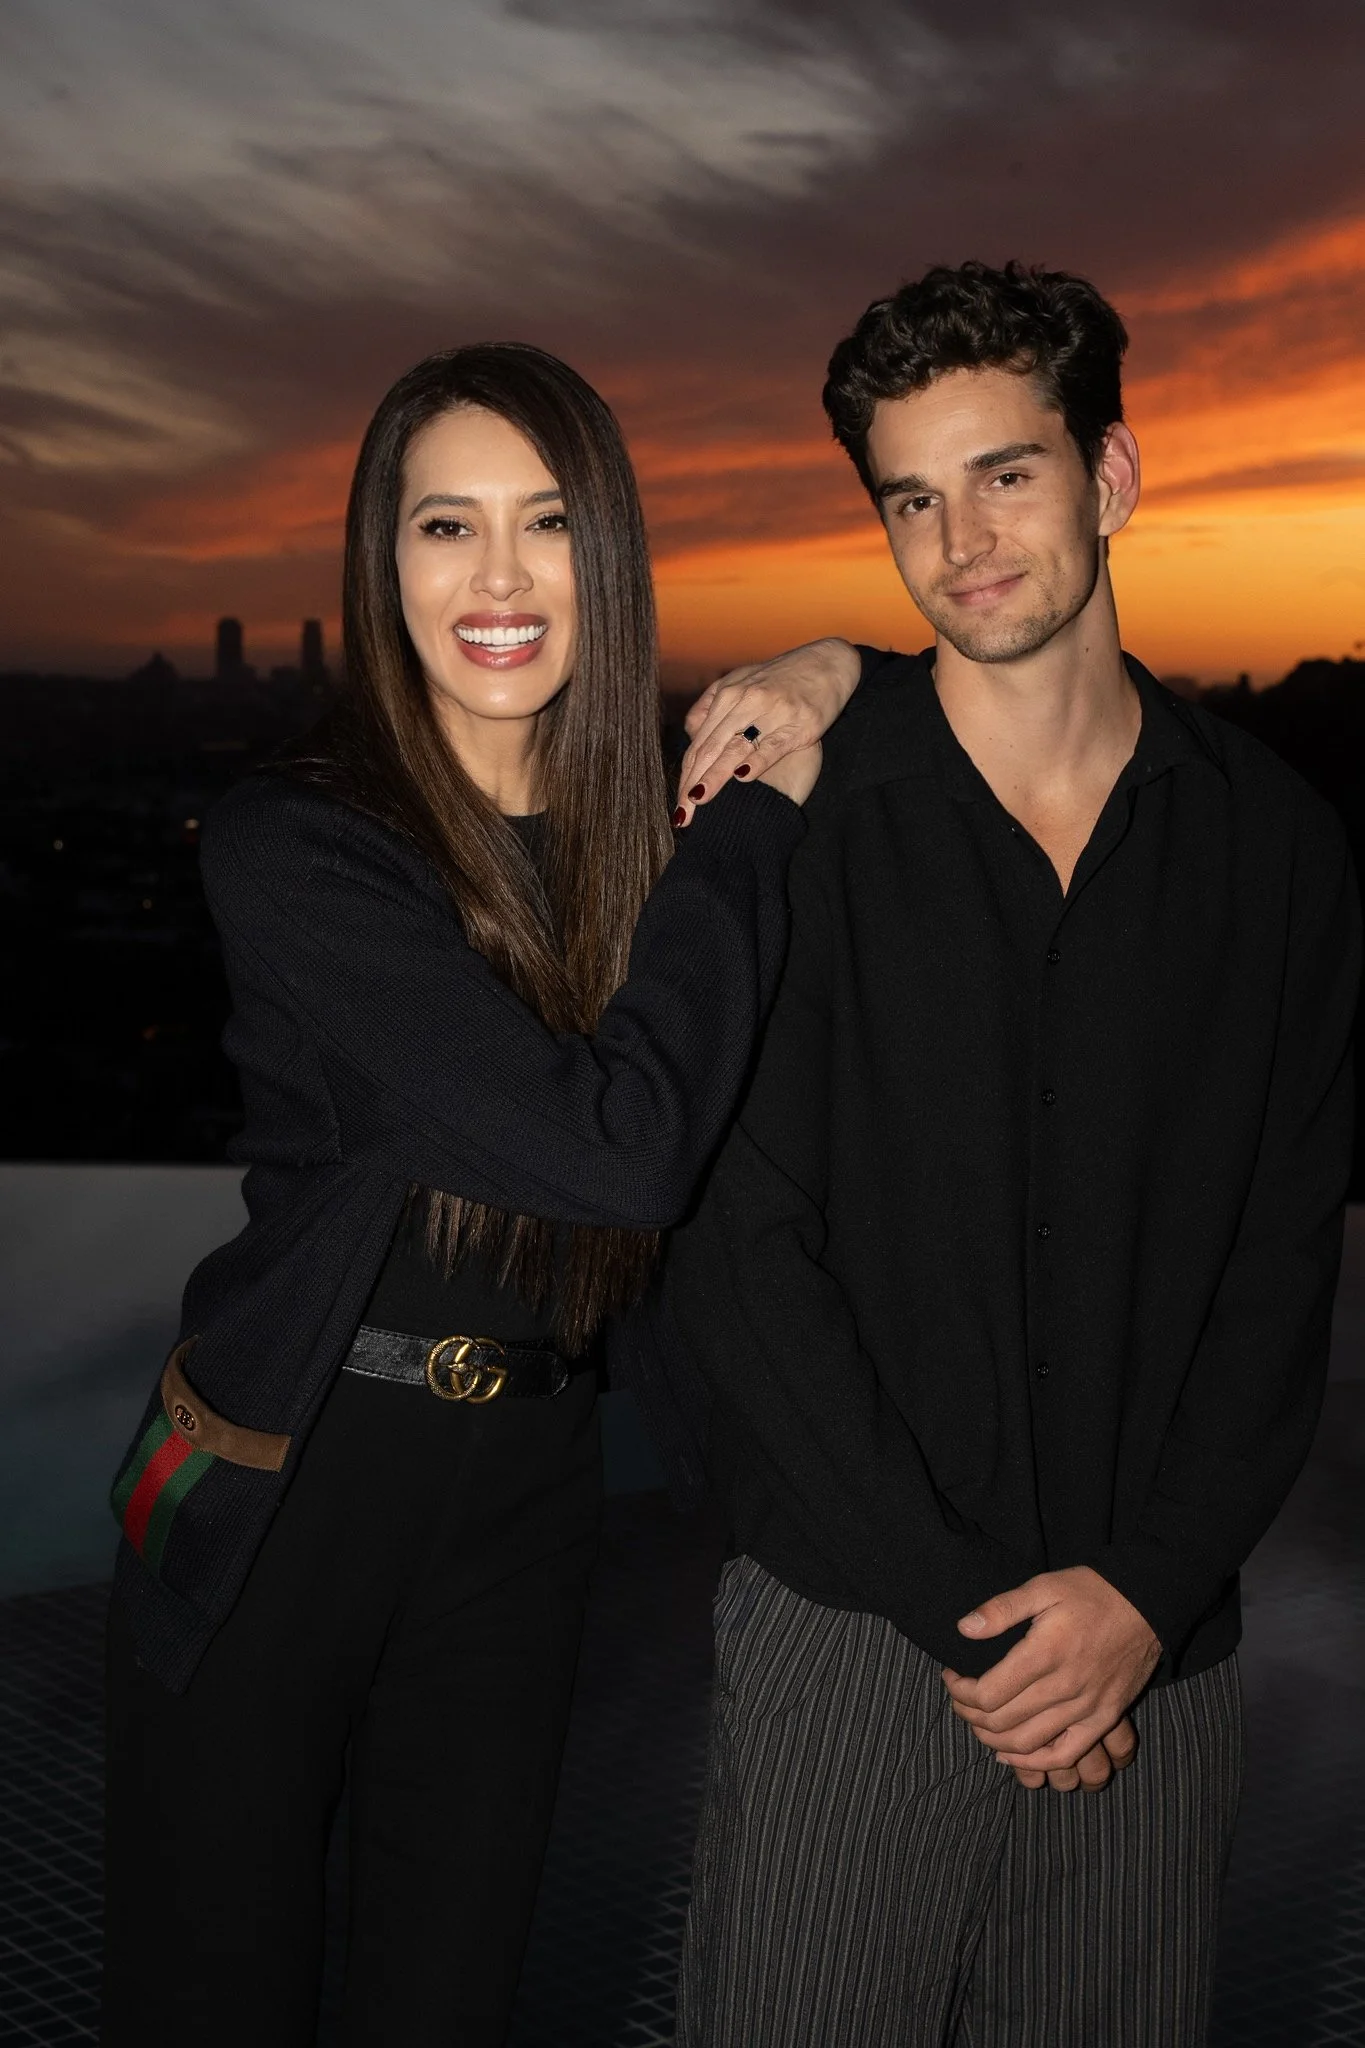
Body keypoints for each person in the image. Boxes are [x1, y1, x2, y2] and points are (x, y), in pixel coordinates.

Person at [101, 341, 860, 2047]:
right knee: (209, 2002)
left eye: (547, 524)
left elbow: (907, 707)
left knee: (448, 2004)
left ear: (613, 560)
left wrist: (817, 668)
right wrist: (748, 831)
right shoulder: (298, 847)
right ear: (386, 565)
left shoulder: (632, 846)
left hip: (524, 1489)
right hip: (285, 1490)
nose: (500, 579)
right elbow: (619, 1150)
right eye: (447, 527)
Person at [663, 262, 1360, 2046]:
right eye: (911, 495)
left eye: (1007, 474)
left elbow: (1280, 1262)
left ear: (1111, 478)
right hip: (854, 1645)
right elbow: (739, 1256)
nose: (961, 539)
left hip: (1153, 1661)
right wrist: (974, 1622)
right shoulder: (796, 831)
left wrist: (1144, 1590)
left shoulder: (1273, 849)